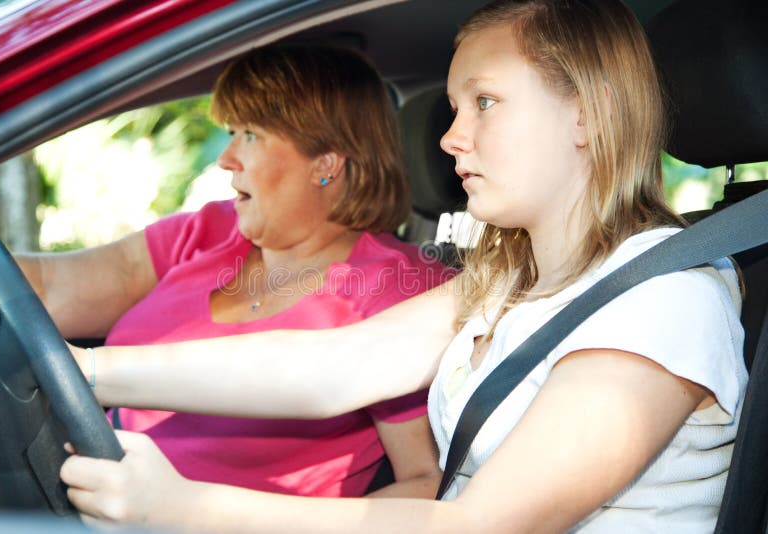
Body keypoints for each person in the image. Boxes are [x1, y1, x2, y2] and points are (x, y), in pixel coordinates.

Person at [59, 0, 747, 532]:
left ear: (587, 115)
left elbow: (479, 525)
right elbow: (333, 367)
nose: (450, 137)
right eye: (454, 108)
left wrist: (187, 510)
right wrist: (87, 372)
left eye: (484, 101)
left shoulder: (664, 300)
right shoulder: (507, 282)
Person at [18, 44, 455, 499]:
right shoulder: (212, 229)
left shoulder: (400, 295)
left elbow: (426, 483)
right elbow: (49, 288)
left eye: (250, 134)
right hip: (76, 485)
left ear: (325, 162)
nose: (225, 157)